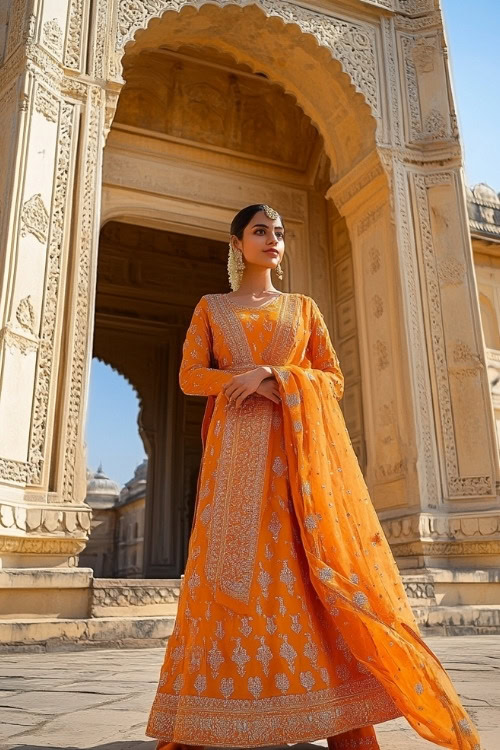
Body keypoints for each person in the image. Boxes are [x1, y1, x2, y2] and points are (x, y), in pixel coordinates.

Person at [146, 204, 480, 750]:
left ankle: (343, 723)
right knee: (226, 584)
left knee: (307, 577)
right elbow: (188, 377)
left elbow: (333, 378)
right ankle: (207, 723)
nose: (272, 240)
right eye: (260, 232)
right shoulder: (212, 308)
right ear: (237, 244)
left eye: (278, 233)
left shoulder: (302, 310)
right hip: (232, 467)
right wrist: (242, 381)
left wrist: (274, 376)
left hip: (297, 467)